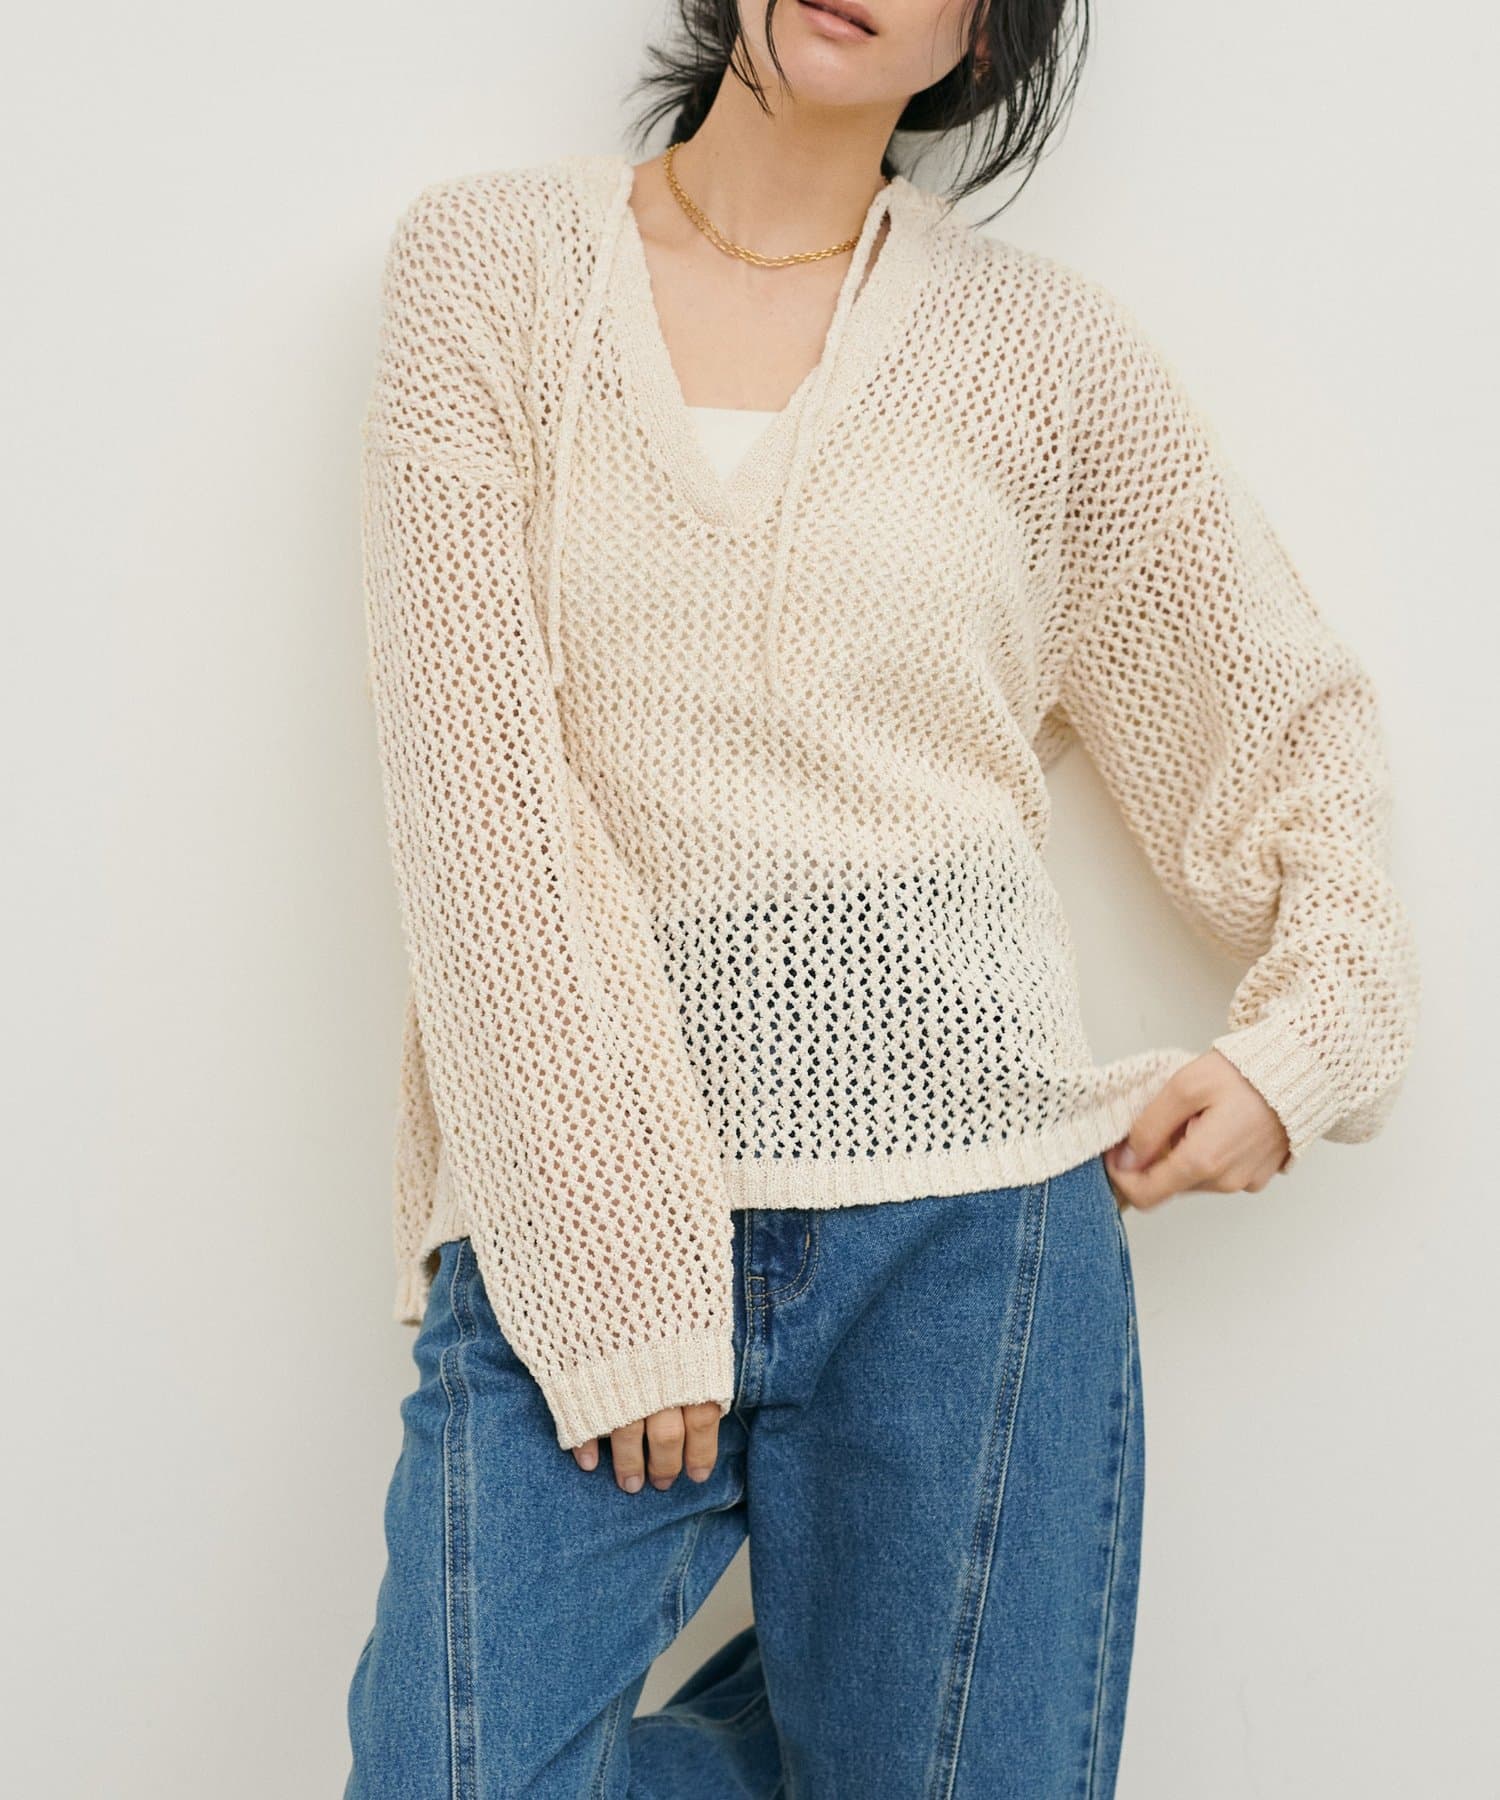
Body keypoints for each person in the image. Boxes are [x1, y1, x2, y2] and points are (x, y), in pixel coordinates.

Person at [342, 2, 1420, 1794]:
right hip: (573, 1208)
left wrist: (1314, 1039)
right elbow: (473, 792)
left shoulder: (1046, 358)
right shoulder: (489, 270)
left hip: (972, 1239)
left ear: (984, 35)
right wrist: (611, 1262)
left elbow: (1275, 717)